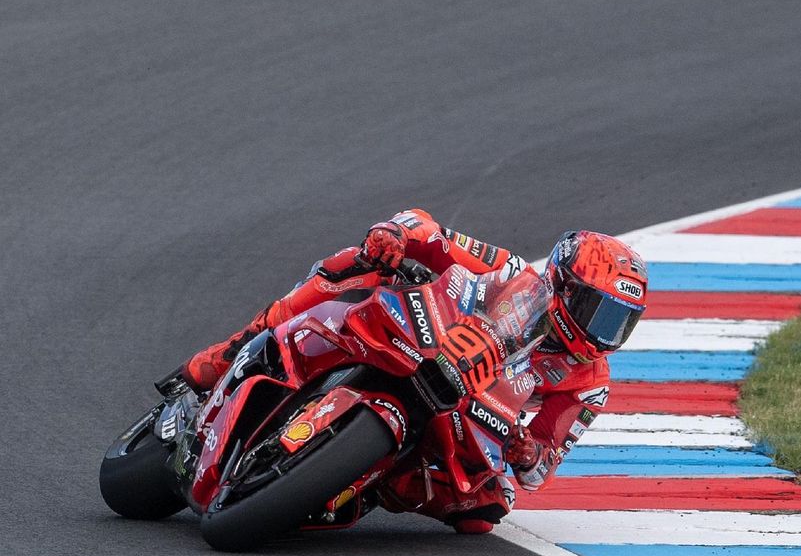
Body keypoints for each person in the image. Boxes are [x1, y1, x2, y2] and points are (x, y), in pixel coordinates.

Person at [169, 209, 648, 534]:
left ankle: (352, 481)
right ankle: (231, 352)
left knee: (483, 513)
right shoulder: (511, 272)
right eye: (595, 310)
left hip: (471, 410)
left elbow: (541, 468)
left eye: (617, 323)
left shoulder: (591, 381)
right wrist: (395, 234)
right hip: (427, 338)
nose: (601, 331)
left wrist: (527, 452)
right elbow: (430, 232)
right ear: (563, 283)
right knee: (363, 265)